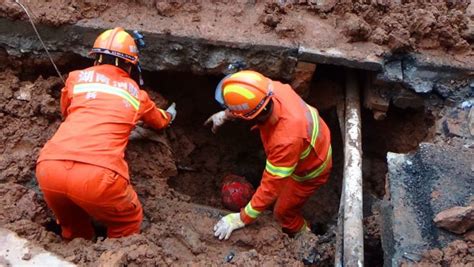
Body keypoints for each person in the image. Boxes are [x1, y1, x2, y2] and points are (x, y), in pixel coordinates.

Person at [35, 27, 176, 240]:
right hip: (99, 177)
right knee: (128, 220)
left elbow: (66, 112)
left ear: (96, 58)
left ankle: (76, 250)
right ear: (130, 64)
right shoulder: (137, 94)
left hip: (49, 168)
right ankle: (112, 256)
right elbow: (158, 122)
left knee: (73, 225)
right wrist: (169, 115)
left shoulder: (75, 78)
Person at [205, 70, 332, 240]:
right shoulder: (270, 89)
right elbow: (252, 106)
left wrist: (241, 218)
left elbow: (271, 186)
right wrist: (226, 115)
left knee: (282, 214)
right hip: (311, 140)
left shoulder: (285, 140)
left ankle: (308, 237)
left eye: (229, 107)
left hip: (310, 170)